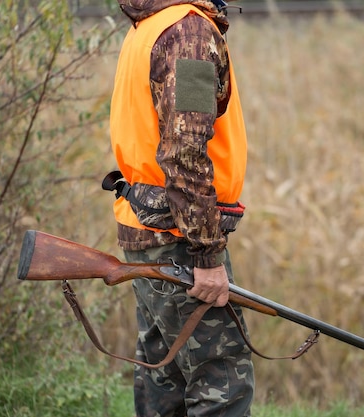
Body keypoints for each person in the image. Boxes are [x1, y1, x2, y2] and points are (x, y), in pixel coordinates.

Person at [107, 0, 254, 415]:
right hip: (180, 242)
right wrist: (207, 255)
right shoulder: (188, 33)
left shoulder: (149, 26)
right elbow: (185, 153)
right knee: (220, 383)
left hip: (149, 231)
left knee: (163, 381)